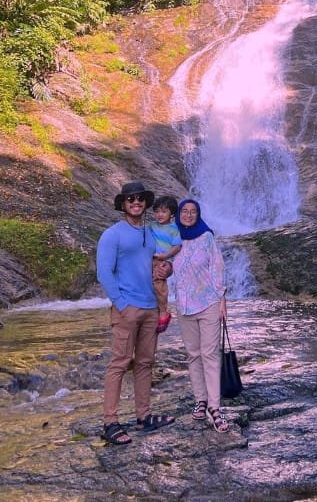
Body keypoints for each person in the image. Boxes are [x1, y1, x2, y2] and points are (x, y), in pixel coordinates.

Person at [96, 180, 175, 445]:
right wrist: (120, 304)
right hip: (127, 308)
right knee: (119, 363)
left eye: (140, 198)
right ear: (123, 204)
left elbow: (159, 264)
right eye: (131, 199)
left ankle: (144, 416)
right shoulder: (113, 234)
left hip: (151, 307)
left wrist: (169, 270)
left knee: (145, 363)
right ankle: (110, 422)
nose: (136, 202)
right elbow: (104, 273)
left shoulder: (152, 233)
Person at [172, 198, 230, 433]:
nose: (188, 215)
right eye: (184, 211)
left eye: (192, 212)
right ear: (179, 214)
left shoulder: (206, 237)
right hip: (184, 306)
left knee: (210, 354)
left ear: (198, 215)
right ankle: (200, 400)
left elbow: (217, 268)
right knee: (193, 355)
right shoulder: (172, 239)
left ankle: (215, 408)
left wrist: (222, 299)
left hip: (208, 303)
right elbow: (162, 265)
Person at [151, 195, 182, 334]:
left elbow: (177, 247)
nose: (159, 215)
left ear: (172, 213)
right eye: (157, 211)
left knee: (159, 282)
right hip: (149, 258)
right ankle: (152, 311)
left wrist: (166, 257)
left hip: (164, 260)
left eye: (164, 211)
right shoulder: (151, 226)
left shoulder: (174, 229)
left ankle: (163, 312)